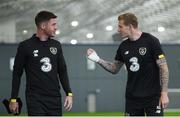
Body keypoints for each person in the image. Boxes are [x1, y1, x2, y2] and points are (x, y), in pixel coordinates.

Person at [87, 13, 169, 116]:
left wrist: (164, 93)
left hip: (152, 98)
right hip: (132, 99)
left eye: (120, 26)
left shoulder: (151, 41)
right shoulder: (123, 46)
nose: (118, 30)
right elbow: (114, 68)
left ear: (130, 26)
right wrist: (98, 59)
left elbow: (163, 68)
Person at [9, 10, 73, 116]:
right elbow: (17, 74)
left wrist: (69, 93)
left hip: (54, 99)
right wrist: (13, 99)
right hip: (35, 100)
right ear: (43, 26)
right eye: (53, 24)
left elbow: (62, 71)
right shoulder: (25, 46)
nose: (56, 27)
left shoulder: (56, 45)